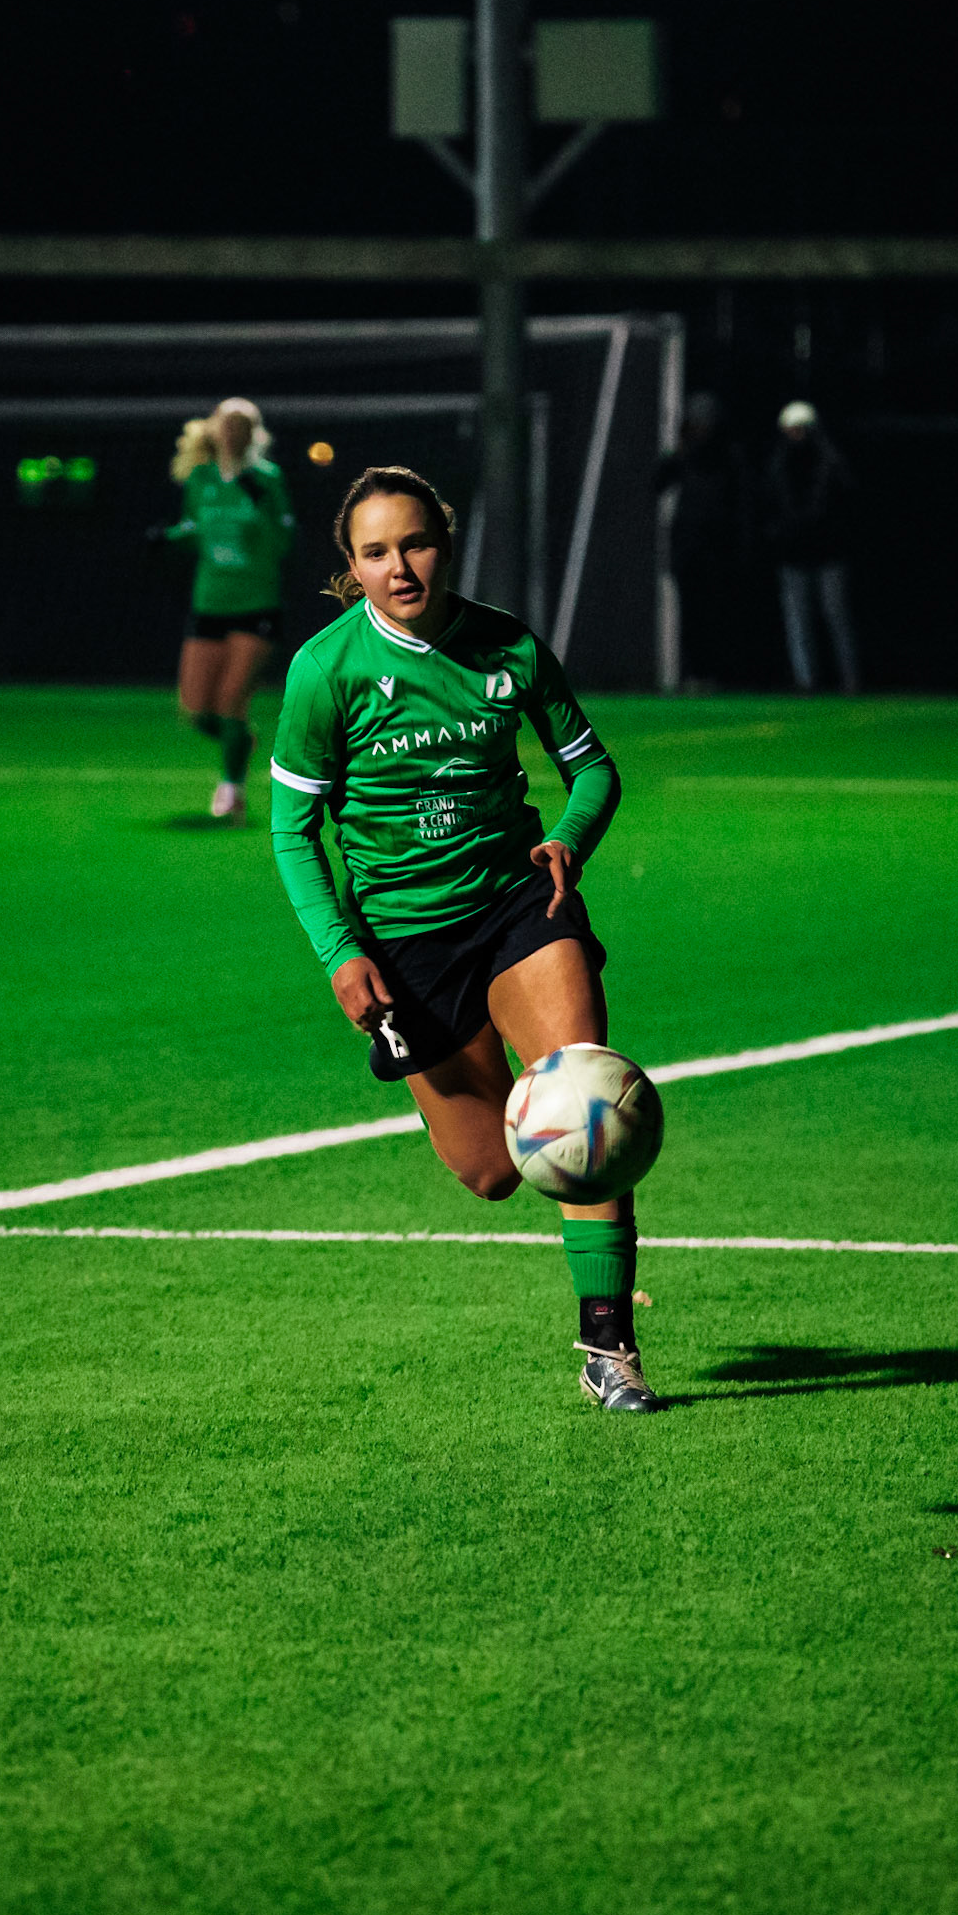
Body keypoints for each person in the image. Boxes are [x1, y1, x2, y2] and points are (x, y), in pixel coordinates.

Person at [269, 465, 663, 1414]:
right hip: (404, 943)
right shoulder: (326, 672)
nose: (399, 567)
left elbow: (593, 771)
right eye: (375, 552)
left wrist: (566, 840)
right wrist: (339, 951)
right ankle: (578, 1245)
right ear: (351, 567)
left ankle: (609, 1349)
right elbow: (292, 830)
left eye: (415, 543)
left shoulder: (508, 648)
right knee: (490, 1170)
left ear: (443, 540)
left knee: (586, 1100)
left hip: (515, 905)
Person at [153, 397, 295, 820]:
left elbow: (283, 542)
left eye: (242, 425)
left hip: (256, 603)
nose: (233, 432)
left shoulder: (267, 479)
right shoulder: (201, 478)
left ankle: (231, 789)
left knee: (233, 702)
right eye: (226, 424)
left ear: (255, 433)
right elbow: (196, 528)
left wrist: (264, 509)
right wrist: (170, 537)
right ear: (214, 429)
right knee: (197, 712)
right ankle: (240, 740)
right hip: (210, 601)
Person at [655, 392, 754, 688]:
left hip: (718, 550)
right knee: (691, 616)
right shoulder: (684, 456)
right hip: (689, 550)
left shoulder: (729, 456)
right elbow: (657, 483)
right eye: (697, 422)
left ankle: (716, 674)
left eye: (706, 422)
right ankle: (694, 673)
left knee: (717, 616)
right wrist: (674, 453)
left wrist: (742, 545)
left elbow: (742, 503)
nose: (702, 428)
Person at [763, 400, 860, 693]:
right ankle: (806, 681)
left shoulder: (830, 462)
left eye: (800, 430)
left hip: (829, 551)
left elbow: (847, 499)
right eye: (790, 430)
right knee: (798, 620)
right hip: (794, 553)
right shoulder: (778, 464)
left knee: (836, 616)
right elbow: (770, 503)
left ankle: (849, 679)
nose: (795, 436)